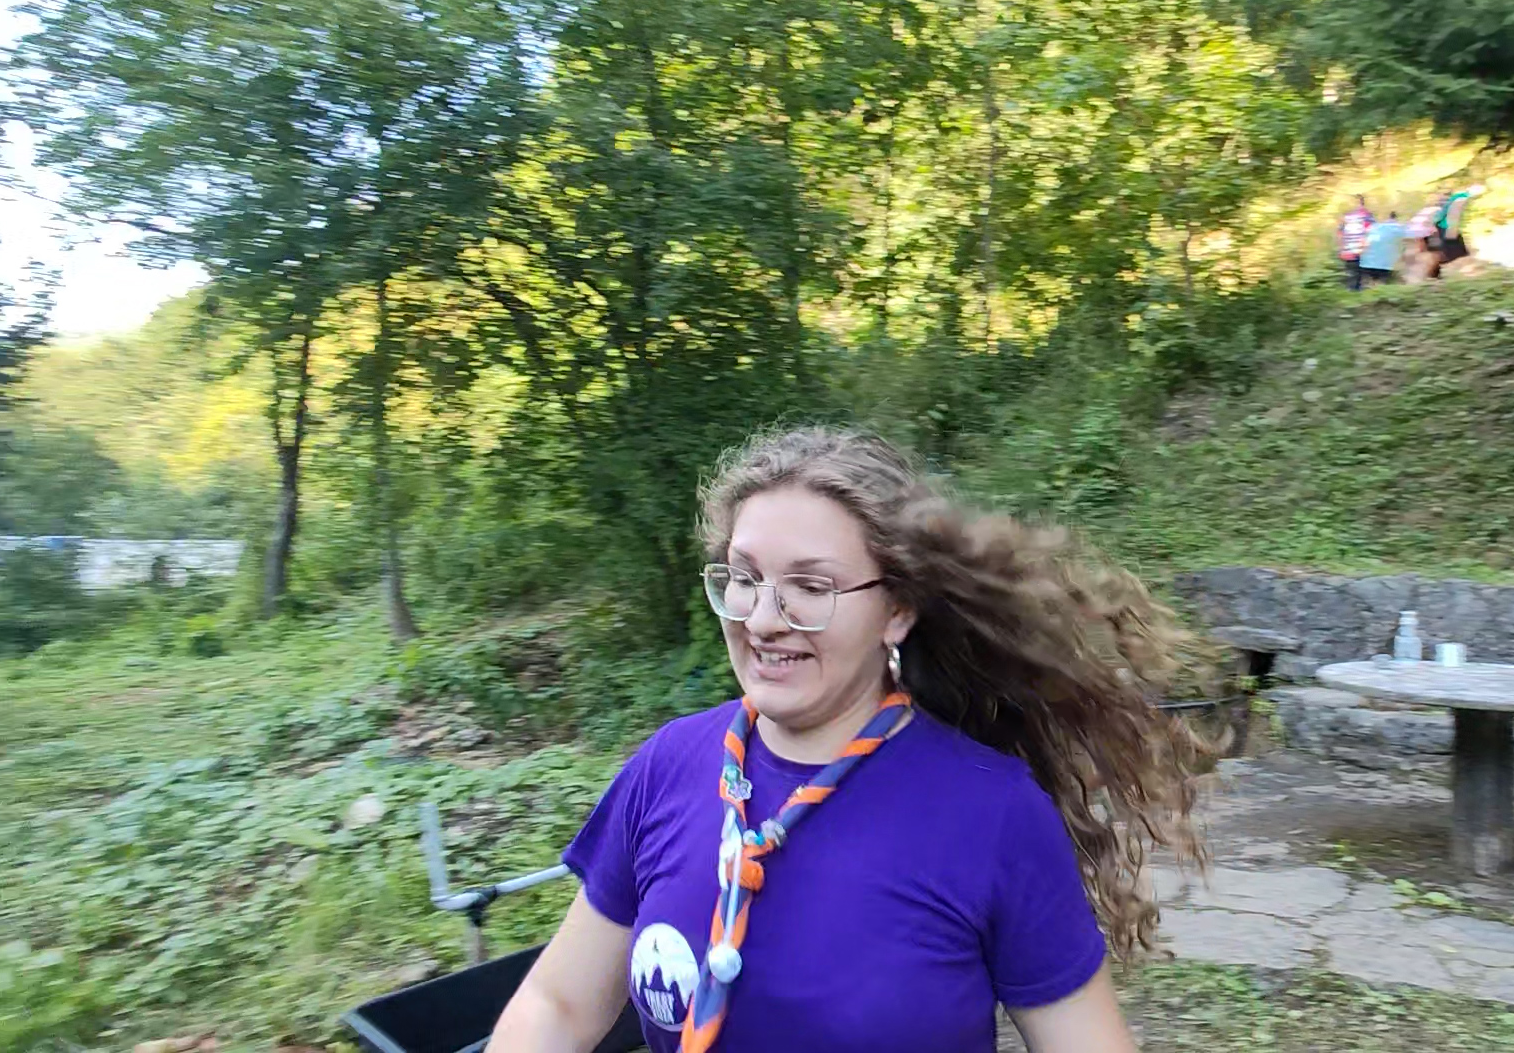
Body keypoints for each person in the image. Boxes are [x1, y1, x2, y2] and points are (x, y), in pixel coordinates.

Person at [490, 427, 1209, 1053]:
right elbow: (558, 1006)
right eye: (744, 578)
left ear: (897, 609)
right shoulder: (669, 767)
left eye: (811, 587)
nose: (762, 620)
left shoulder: (992, 815)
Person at [1358, 211, 1407, 286]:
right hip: (1385, 264)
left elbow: (1363, 243)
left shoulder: (1373, 227)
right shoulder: (1399, 228)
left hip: (1367, 263)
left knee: (1367, 285)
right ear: (1396, 219)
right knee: (1380, 285)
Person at [1337, 195, 1375, 291]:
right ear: (1362, 203)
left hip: (1348, 249)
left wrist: (1341, 247)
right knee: (1360, 272)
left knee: (1351, 272)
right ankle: (1358, 289)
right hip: (1361, 249)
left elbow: (1340, 232)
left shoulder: (1346, 216)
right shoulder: (1367, 215)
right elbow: (1372, 231)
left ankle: (1351, 290)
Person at [1434, 185, 1477, 267]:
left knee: (1449, 243)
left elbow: (1443, 212)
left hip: (1445, 225)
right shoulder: (1460, 198)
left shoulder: (1455, 198)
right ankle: (1460, 257)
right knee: (1453, 242)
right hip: (1449, 225)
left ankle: (1453, 259)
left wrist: (1436, 220)